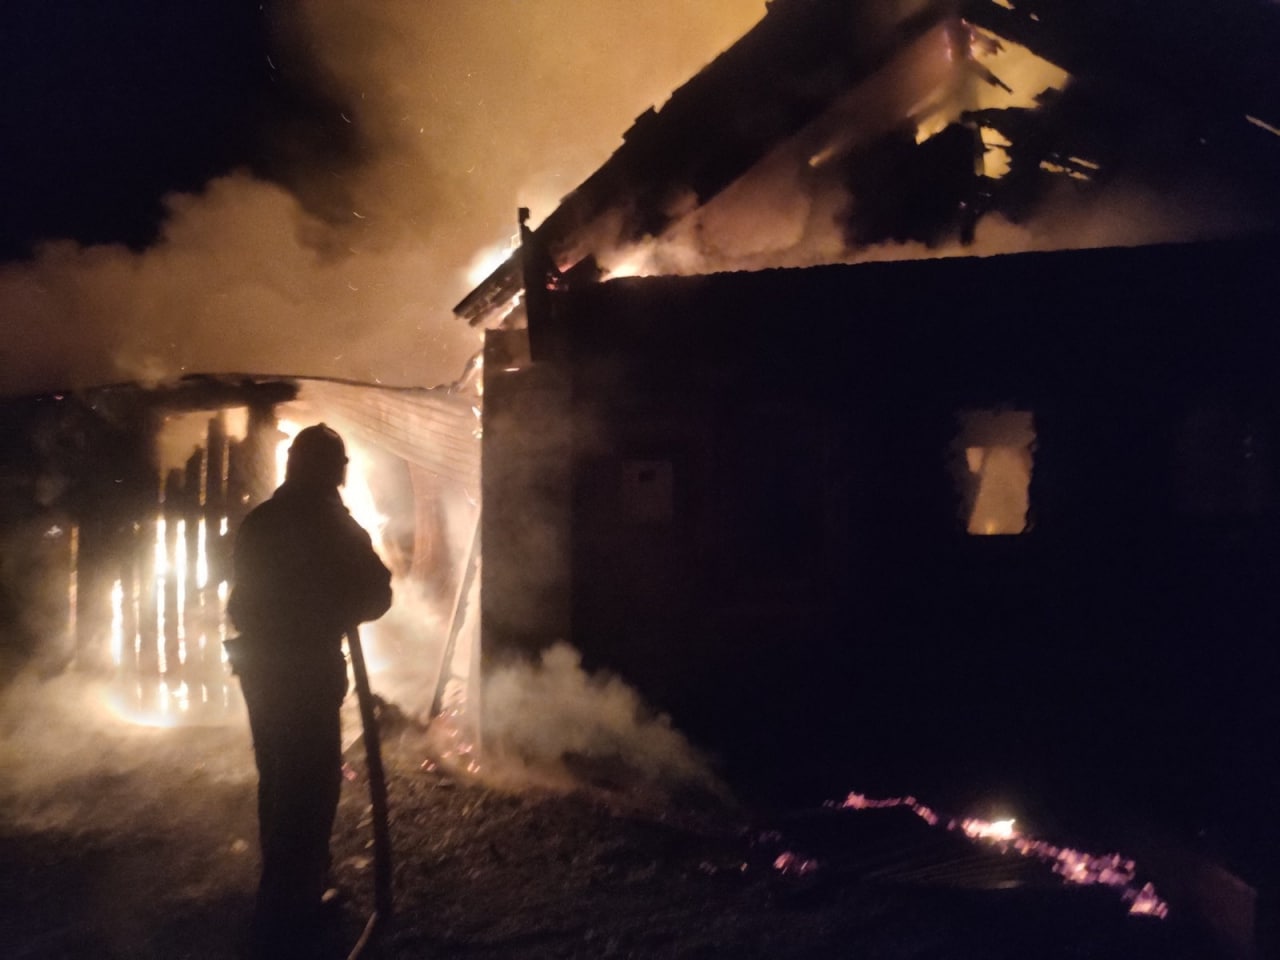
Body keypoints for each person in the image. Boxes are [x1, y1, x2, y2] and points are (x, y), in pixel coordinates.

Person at [227, 423, 392, 957]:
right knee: (310, 789)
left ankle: (281, 898)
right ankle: (289, 914)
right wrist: (336, 605)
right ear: (334, 472)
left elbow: (239, 604)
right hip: (306, 672)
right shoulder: (331, 524)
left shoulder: (260, 522)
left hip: (259, 673)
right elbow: (377, 593)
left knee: (277, 780)